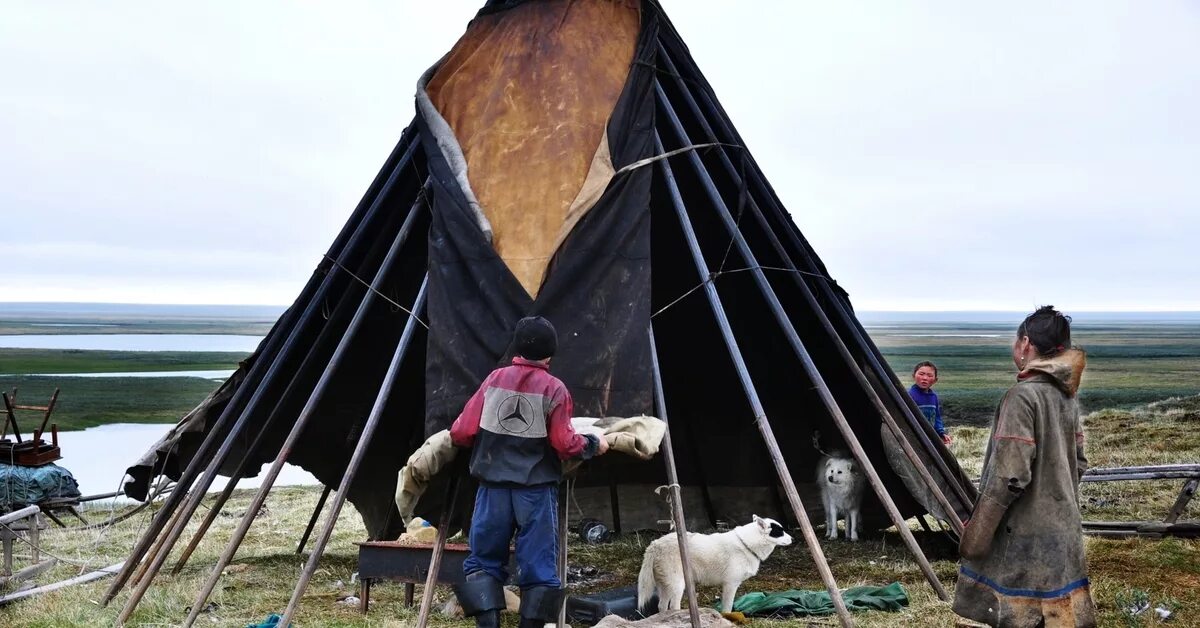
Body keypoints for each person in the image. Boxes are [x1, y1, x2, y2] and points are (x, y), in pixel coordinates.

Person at [449, 316, 609, 628]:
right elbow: (565, 444)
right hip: (534, 492)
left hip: (492, 490)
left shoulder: (493, 381)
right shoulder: (555, 389)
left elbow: (461, 432)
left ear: (517, 348)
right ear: (550, 353)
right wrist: (591, 445)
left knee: (483, 562)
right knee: (539, 568)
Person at [953, 306, 1096, 627]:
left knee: (1022, 616)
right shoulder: (1066, 397)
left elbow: (1009, 475)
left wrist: (978, 531)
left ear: (1025, 343)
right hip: (1063, 527)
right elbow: (1080, 463)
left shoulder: (1022, 396)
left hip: (1023, 532)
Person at [908, 361, 951, 444]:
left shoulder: (933, 397)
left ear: (935, 380)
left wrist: (941, 433)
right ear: (913, 376)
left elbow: (936, 417)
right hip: (916, 437)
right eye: (921, 374)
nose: (925, 378)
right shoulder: (909, 395)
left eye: (929, 375)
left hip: (930, 437)